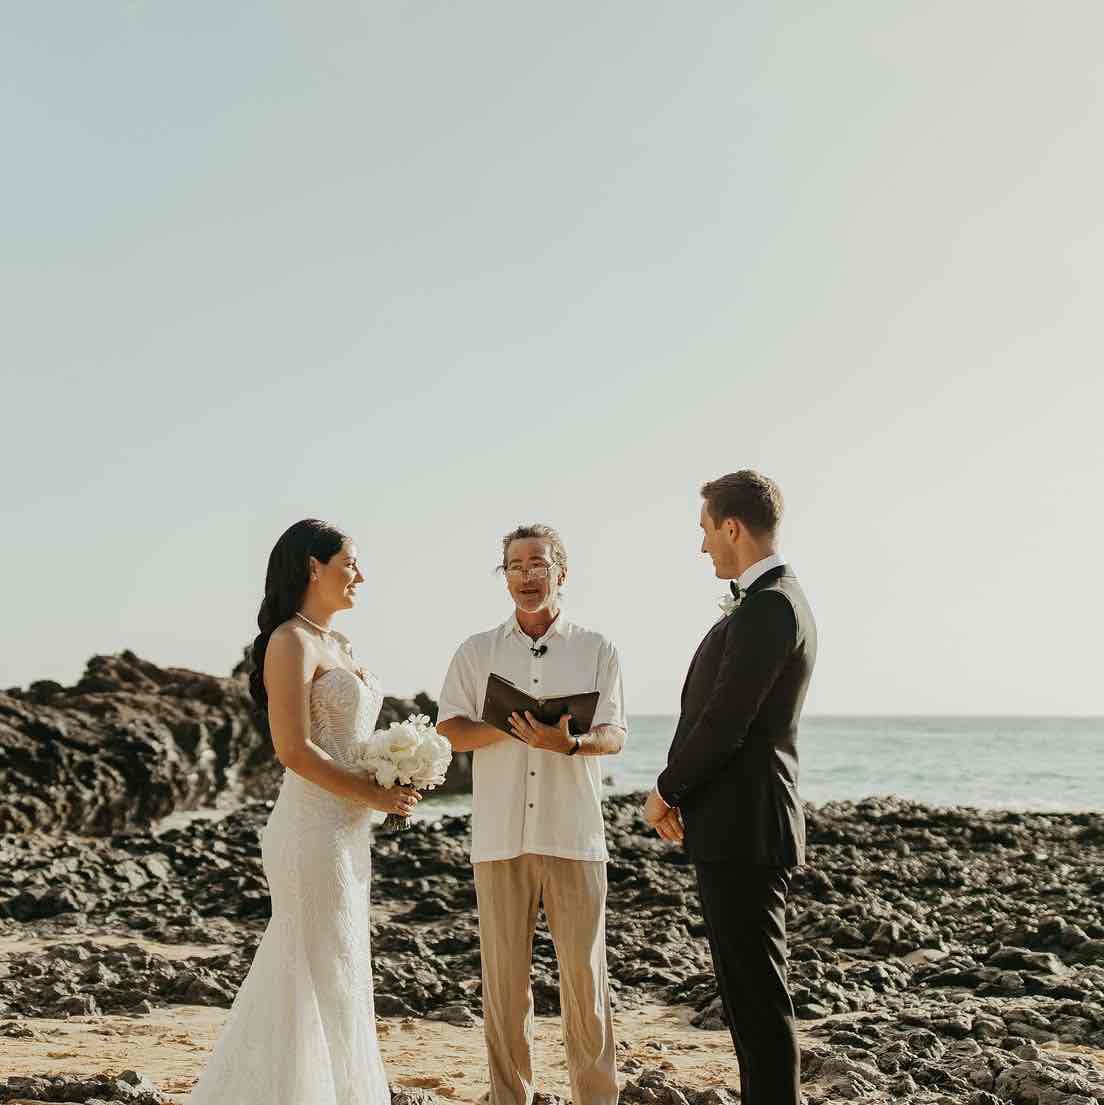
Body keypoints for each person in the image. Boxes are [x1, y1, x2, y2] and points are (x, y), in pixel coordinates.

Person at [187, 519, 420, 1105]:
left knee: (339, 970)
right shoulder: (289, 641)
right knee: (314, 969)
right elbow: (292, 749)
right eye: (350, 563)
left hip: (348, 833)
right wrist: (372, 793)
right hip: (311, 829)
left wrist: (391, 770)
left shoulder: (339, 645)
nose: (360, 575)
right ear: (314, 567)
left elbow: (346, 740)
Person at [643, 471, 817, 1105]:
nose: (703, 547)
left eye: (705, 531)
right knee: (747, 999)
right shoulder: (771, 600)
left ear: (732, 528)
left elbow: (726, 720)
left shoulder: (772, 605)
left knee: (758, 1000)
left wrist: (666, 790)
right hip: (737, 825)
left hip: (748, 826)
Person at [437, 524, 626, 1105]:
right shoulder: (476, 652)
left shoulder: (597, 649)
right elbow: (449, 730)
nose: (525, 575)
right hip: (499, 838)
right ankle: (508, 1097)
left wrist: (566, 744)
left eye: (538, 564)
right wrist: (506, 725)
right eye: (514, 566)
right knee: (503, 985)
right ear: (505, 575)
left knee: (585, 982)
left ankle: (595, 1098)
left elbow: (614, 734)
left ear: (561, 572)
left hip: (574, 834)